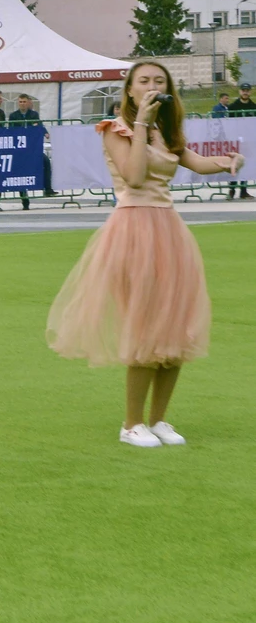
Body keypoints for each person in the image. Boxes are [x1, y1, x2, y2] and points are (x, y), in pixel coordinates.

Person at [48, 61, 242, 447]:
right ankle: (131, 423)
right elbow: (134, 177)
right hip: (133, 229)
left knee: (176, 327)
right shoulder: (116, 129)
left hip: (169, 229)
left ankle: (159, 420)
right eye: (144, 81)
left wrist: (227, 163)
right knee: (146, 327)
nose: (152, 86)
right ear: (130, 90)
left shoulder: (165, 132)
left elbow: (195, 162)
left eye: (159, 81)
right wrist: (140, 125)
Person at [6, 94, 44, 209]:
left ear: (28, 103)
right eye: (20, 102)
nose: (22, 104)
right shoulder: (13, 116)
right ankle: (24, 199)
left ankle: (48, 188)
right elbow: (12, 131)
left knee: (46, 162)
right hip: (19, 149)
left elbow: (38, 126)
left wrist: (44, 132)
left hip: (32, 148)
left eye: (24, 102)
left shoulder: (34, 115)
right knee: (21, 172)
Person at [227, 83, 255, 200]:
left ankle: (243, 190)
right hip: (236, 140)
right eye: (243, 90)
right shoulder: (233, 107)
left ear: (250, 92)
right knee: (235, 164)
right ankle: (232, 189)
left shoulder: (254, 107)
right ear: (240, 91)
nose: (245, 92)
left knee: (246, 164)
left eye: (247, 90)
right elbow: (228, 123)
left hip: (249, 140)